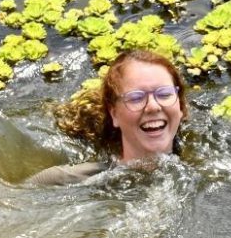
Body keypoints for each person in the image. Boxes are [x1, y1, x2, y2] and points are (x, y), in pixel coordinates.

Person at [25, 49, 188, 185]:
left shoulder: (208, 169)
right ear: (114, 113)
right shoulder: (68, 180)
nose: (153, 106)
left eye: (165, 94)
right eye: (136, 98)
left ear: (180, 106)